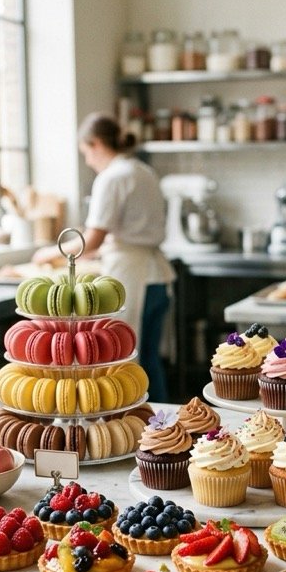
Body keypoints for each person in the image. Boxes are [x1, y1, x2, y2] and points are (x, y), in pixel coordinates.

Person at [33, 112, 174, 402]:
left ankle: (141, 426)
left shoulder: (112, 177)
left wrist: (49, 253)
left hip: (133, 276)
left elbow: (93, 240)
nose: (87, 161)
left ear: (96, 144)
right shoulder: (142, 170)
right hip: (157, 276)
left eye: (85, 153)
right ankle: (163, 426)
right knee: (149, 358)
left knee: (129, 361)